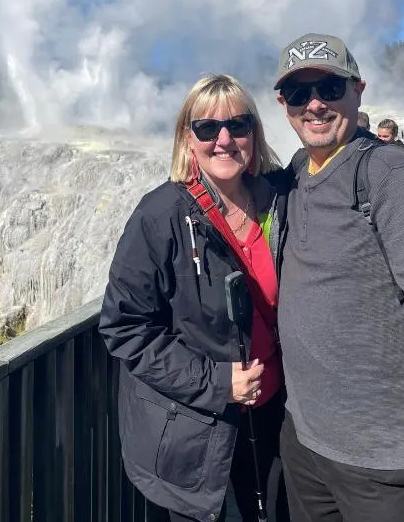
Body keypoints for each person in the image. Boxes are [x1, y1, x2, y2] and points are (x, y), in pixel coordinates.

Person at [272, 33, 404, 522]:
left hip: (385, 463)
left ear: (358, 90)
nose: (314, 104)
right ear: (283, 105)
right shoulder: (297, 170)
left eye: (330, 88)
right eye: (299, 94)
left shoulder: (390, 176)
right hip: (305, 439)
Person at [99, 74, 290, 522]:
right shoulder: (160, 215)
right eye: (207, 128)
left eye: (238, 126)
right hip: (198, 430)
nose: (224, 140)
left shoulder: (279, 200)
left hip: (279, 417)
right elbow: (124, 326)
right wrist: (217, 383)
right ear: (188, 138)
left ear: (254, 134)